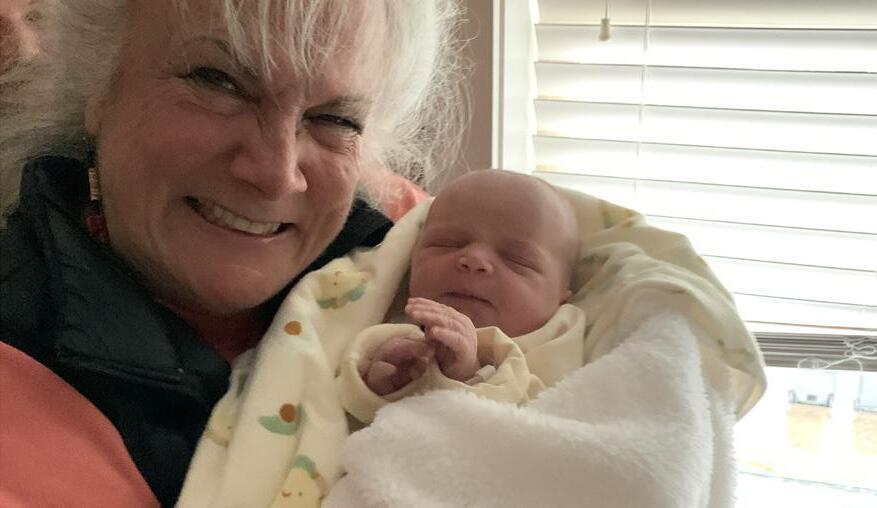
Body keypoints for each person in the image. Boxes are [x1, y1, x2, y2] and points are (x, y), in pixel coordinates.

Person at [0, 0, 465, 505]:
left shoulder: (434, 260)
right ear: (97, 82)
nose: (276, 173)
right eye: (218, 82)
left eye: (335, 118)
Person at [354, 171, 583, 402]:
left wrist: (471, 376)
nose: (474, 259)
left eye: (517, 259)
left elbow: (549, 414)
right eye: (446, 243)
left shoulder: (559, 335)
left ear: (561, 295)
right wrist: (377, 387)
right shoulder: (385, 318)